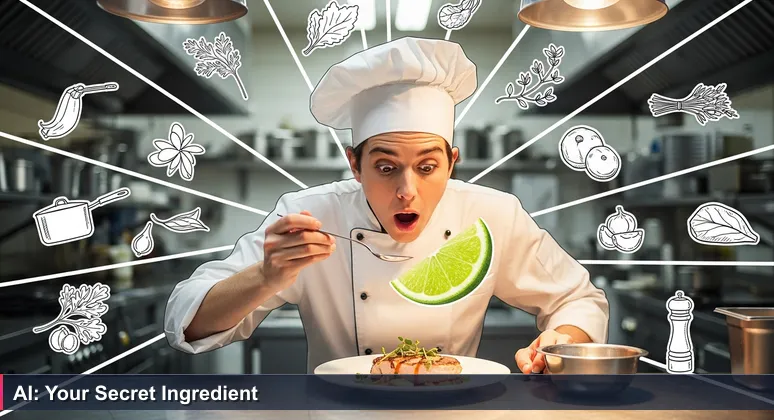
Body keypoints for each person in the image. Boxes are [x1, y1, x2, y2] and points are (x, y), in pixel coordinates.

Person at [164, 37, 609, 374]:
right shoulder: (311, 217)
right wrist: (265, 276)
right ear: (354, 164)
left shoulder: (491, 215)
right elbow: (186, 320)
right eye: (386, 167)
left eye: (428, 166)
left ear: (452, 163)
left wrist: (559, 341)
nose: (407, 190)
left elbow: (578, 298)